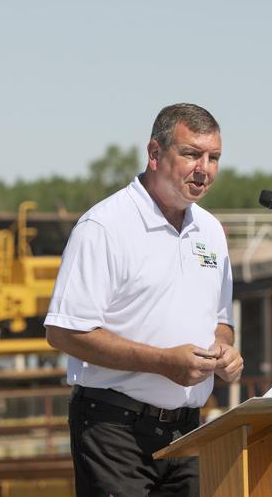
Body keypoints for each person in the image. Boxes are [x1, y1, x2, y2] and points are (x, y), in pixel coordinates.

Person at [45, 103, 243, 496]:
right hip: (114, 431)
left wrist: (223, 351)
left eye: (213, 157)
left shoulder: (211, 231)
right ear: (155, 154)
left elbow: (220, 321)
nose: (204, 168)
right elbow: (64, 332)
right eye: (191, 154)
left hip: (189, 430)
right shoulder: (104, 226)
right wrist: (163, 362)